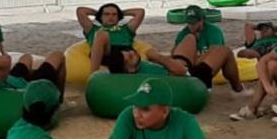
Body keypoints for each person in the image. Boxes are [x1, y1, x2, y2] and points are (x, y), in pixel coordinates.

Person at [105, 42, 246, 93]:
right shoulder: (142, 76)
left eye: (129, 51)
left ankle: (196, 56)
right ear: (130, 69)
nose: (132, 53)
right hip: (191, 79)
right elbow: (180, 72)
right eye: (130, 57)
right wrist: (158, 57)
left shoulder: (138, 69)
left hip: (182, 70)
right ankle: (238, 89)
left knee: (191, 39)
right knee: (224, 51)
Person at [77, 3, 146, 72]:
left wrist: (120, 13)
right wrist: (98, 13)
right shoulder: (93, 29)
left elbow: (140, 12)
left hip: (126, 51)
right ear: (101, 16)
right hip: (106, 51)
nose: (111, 17)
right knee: (101, 34)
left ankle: (128, 68)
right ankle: (93, 74)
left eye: (114, 14)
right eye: (106, 14)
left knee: (135, 55)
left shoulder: (126, 28)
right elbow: (80, 11)